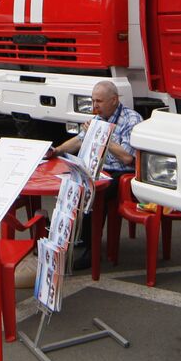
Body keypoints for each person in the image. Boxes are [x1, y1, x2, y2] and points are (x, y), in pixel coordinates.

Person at [49, 80, 142, 270]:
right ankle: (75, 236)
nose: (94, 106)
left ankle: (92, 251)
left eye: (99, 101)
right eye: (92, 101)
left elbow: (127, 158)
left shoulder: (131, 119)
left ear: (114, 100)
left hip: (122, 174)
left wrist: (102, 136)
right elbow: (78, 141)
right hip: (99, 168)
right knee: (71, 184)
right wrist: (56, 150)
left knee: (92, 193)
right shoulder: (99, 118)